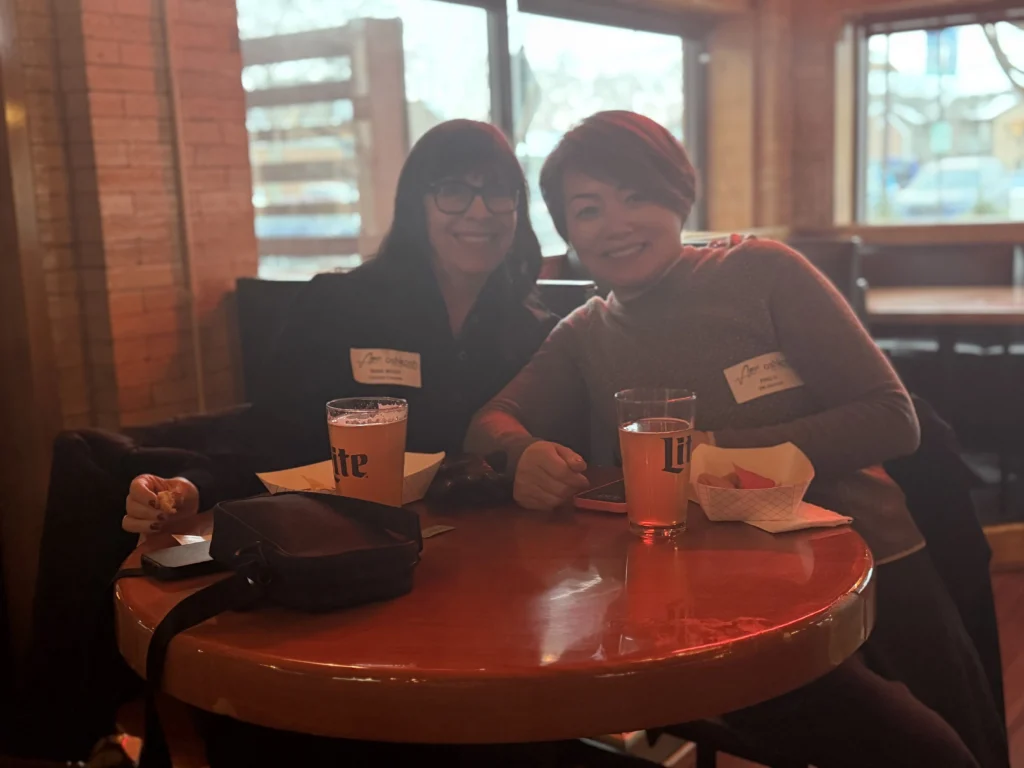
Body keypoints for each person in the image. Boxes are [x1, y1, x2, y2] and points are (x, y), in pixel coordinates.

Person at [465, 111, 1009, 768]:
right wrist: (521, 455)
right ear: (569, 232)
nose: (617, 224)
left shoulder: (761, 272)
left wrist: (715, 449)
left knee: (946, 750)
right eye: (588, 210)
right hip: (720, 600)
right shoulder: (584, 333)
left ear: (678, 195)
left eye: (636, 196)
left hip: (868, 562)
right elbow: (490, 423)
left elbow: (893, 417)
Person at [122, 119, 557, 535]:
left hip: (490, 553)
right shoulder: (338, 305)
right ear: (415, 206)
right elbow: (274, 433)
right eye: (453, 191)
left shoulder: (535, 333)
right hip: (348, 544)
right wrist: (192, 488)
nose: (479, 211)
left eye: (498, 191)